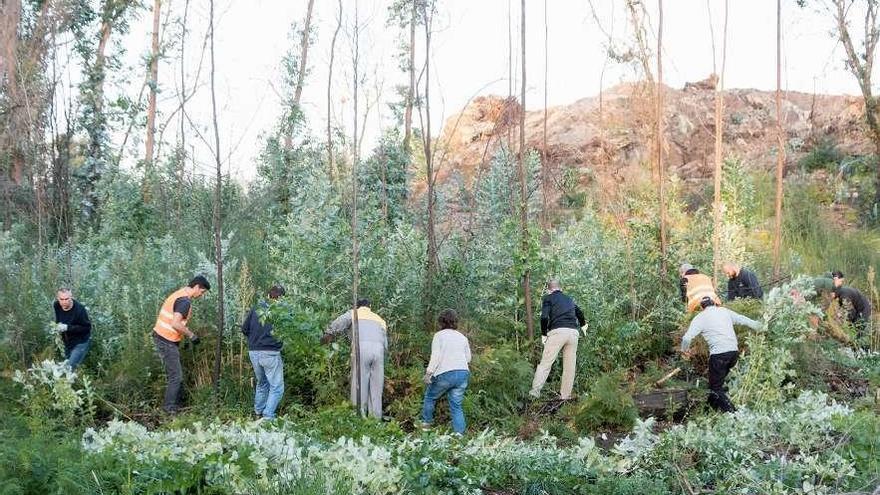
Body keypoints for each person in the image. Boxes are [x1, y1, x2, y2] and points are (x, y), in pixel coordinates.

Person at [680, 296, 761, 413]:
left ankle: (734, 414)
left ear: (702, 307)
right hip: (733, 353)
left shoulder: (700, 317)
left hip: (719, 355)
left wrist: (684, 351)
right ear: (714, 303)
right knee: (716, 385)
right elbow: (742, 319)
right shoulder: (724, 311)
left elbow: (687, 338)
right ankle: (707, 411)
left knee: (716, 388)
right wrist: (760, 326)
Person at [322, 298, 388, 418]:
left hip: (361, 348)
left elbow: (338, 323)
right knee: (376, 387)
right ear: (370, 306)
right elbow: (385, 342)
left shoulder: (353, 313)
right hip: (379, 351)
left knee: (359, 383)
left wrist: (328, 333)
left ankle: (358, 418)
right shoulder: (380, 319)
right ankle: (375, 420)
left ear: (357, 306)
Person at [152, 275, 210, 414]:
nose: (201, 295)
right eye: (201, 292)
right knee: (176, 376)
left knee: (174, 374)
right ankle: (169, 409)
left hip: (164, 337)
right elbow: (175, 323)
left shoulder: (179, 294)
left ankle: (175, 405)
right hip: (166, 340)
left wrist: (179, 339)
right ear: (196, 287)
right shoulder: (185, 301)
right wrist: (191, 335)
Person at [529, 279, 586, 400]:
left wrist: (544, 334)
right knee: (569, 367)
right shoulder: (569, 299)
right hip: (573, 333)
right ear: (561, 289)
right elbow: (579, 313)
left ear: (549, 290)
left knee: (545, 364)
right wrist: (583, 326)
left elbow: (544, 317)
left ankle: (534, 393)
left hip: (557, 332)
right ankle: (565, 397)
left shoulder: (548, 298)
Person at [421, 309, 472, 434]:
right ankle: (460, 435)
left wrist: (428, 374)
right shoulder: (462, 337)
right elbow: (468, 358)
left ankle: (426, 426)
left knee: (430, 397)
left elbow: (436, 356)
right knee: (456, 406)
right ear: (455, 322)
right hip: (462, 373)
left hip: (445, 374)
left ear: (441, 321)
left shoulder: (439, 336)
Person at [241, 285, 286, 420]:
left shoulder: (256, 308)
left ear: (268, 295)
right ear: (281, 297)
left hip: (254, 352)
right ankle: (268, 416)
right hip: (270, 352)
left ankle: (258, 413)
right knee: (277, 387)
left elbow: (244, 329)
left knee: (262, 383)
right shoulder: (281, 311)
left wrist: (255, 338)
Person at [53, 288, 92, 370]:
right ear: (58, 298)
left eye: (66, 299)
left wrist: (67, 327)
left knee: (69, 368)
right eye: (61, 299)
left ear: (71, 297)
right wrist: (57, 327)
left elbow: (87, 328)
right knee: (67, 365)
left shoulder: (79, 309)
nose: (64, 302)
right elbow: (58, 319)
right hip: (67, 342)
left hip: (80, 342)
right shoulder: (56, 305)